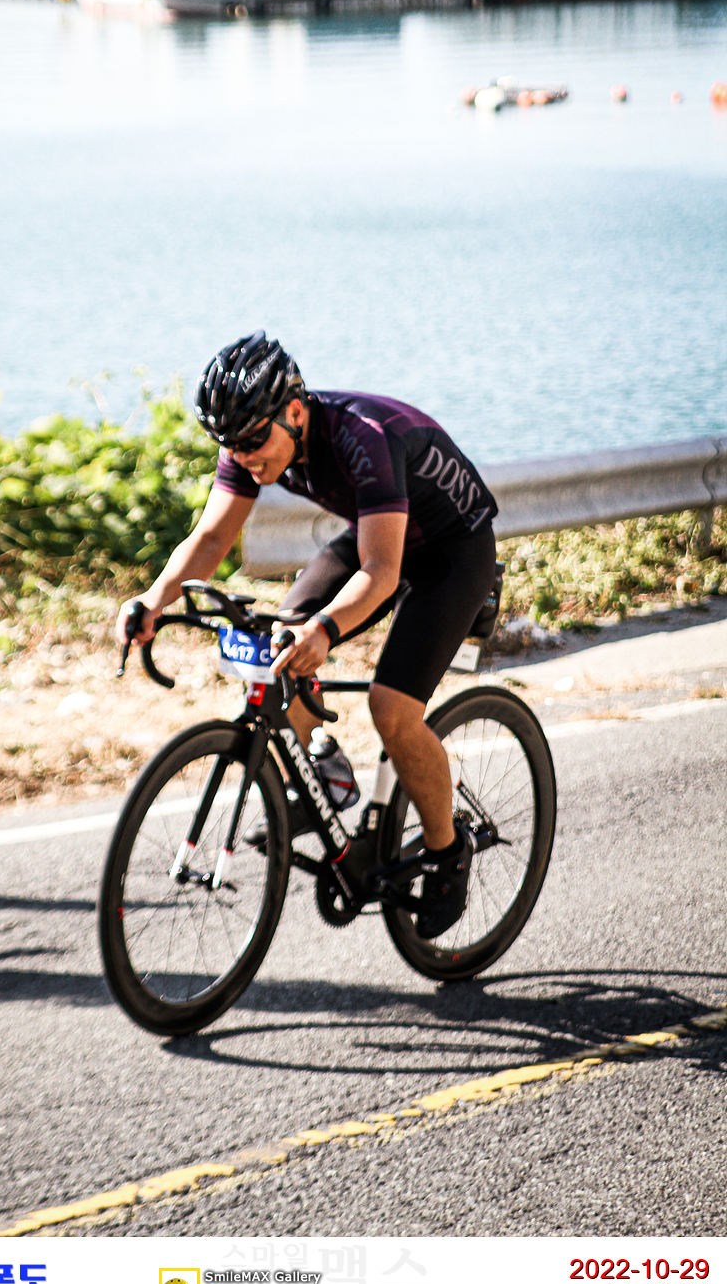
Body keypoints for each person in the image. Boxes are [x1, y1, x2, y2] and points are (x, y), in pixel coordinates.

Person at [116, 331, 499, 938]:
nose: (242, 456)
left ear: (294, 411)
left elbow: (382, 571)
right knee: (276, 645)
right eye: (227, 445)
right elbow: (212, 538)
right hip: (382, 536)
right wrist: (153, 599)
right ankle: (327, 775)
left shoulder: (363, 439)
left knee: (392, 709)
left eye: (251, 441)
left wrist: (324, 629)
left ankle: (448, 851)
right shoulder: (251, 442)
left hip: (452, 552)